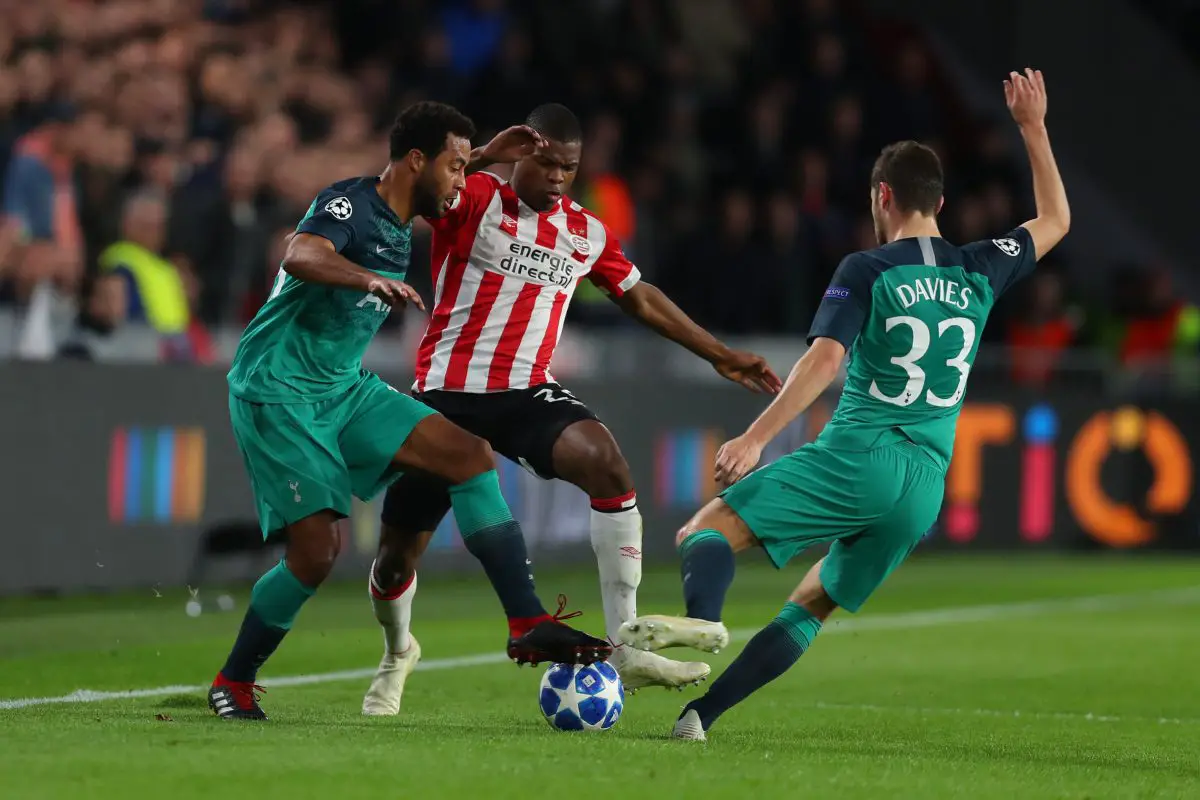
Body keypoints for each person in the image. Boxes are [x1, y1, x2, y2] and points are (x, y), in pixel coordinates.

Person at [618, 69, 1070, 740]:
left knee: (706, 531)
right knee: (812, 604)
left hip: (862, 454)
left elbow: (827, 360)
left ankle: (705, 618)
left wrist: (756, 437)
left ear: (882, 197)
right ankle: (700, 718)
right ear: (939, 203)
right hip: (924, 486)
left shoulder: (868, 269)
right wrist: (1032, 126)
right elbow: (1056, 218)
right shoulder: (982, 264)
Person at [361, 103, 783, 716]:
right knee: (397, 554)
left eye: (570, 167)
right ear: (523, 157)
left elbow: (640, 298)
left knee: (608, 464)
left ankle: (625, 647)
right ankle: (398, 649)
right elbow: (405, 189)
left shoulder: (584, 230)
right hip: (447, 394)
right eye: (549, 163)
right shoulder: (474, 197)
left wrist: (717, 354)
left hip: (525, 391)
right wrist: (481, 155)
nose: (559, 177)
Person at [209, 102, 611, 721]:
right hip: (279, 390)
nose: (463, 182)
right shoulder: (350, 204)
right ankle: (232, 682)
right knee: (317, 554)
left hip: (341, 387)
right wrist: (365, 280)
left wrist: (485, 155)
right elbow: (300, 255)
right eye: (455, 167)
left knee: (467, 455)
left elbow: (433, 178)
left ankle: (525, 619)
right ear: (419, 161)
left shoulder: (409, 208)